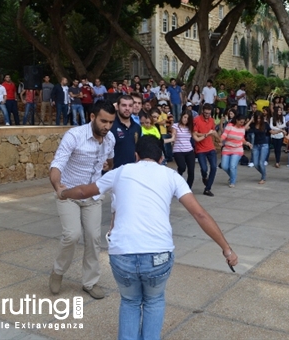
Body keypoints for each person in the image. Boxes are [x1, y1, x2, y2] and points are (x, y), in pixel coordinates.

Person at [57, 135, 237, 340]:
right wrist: (226, 248)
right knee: (154, 301)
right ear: (161, 158)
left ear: (136, 156)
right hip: (158, 255)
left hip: (122, 254)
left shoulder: (120, 172)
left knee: (130, 301)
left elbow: (82, 191)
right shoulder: (172, 176)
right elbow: (200, 214)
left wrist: (63, 193)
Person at [48, 101, 117, 300]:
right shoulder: (74, 135)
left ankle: (90, 282)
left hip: (93, 195)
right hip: (68, 192)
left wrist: (107, 165)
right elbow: (58, 163)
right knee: (72, 235)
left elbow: (110, 160)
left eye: (111, 122)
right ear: (92, 117)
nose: (107, 126)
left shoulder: (110, 138)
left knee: (94, 238)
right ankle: (58, 272)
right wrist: (58, 186)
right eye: (104, 121)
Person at [193, 104, 220, 196]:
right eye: (205, 113)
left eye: (208, 113)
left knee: (213, 167)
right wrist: (206, 134)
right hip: (200, 149)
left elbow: (213, 132)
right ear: (202, 111)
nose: (207, 115)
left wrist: (219, 140)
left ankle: (207, 189)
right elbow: (195, 133)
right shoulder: (197, 120)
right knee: (204, 169)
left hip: (210, 147)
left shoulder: (212, 120)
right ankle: (204, 176)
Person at [220, 114, 251, 188]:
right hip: (227, 148)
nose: (242, 123)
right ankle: (232, 176)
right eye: (241, 122)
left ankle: (232, 181)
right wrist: (220, 140)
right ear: (237, 120)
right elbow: (224, 135)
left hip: (238, 149)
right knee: (224, 166)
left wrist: (247, 143)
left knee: (232, 166)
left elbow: (242, 139)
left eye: (243, 122)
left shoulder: (242, 128)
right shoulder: (230, 125)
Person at [111, 95, 141, 168]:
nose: (127, 108)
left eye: (130, 106)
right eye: (124, 105)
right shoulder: (110, 125)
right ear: (117, 107)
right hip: (113, 171)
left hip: (131, 171)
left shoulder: (137, 127)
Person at [173, 111, 196, 188]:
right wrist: (169, 139)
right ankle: (177, 178)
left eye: (188, 118)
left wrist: (206, 134)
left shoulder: (190, 128)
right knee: (182, 167)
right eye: (185, 117)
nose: (186, 119)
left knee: (191, 171)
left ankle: (188, 188)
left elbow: (196, 136)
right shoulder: (175, 126)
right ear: (181, 117)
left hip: (189, 151)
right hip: (178, 151)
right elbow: (173, 136)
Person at [250, 111, 270, 184]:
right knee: (255, 164)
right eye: (257, 118)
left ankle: (263, 177)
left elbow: (271, 131)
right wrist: (250, 120)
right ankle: (263, 173)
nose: (258, 120)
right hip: (256, 145)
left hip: (264, 145)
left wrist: (280, 131)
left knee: (261, 163)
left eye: (259, 118)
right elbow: (245, 128)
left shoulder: (265, 124)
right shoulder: (253, 124)